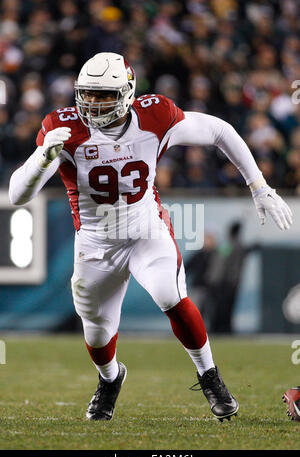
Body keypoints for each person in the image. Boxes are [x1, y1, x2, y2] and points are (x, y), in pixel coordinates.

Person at [9, 52, 293, 422]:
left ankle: (209, 374)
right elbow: (18, 194)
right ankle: (111, 379)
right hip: (95, 243)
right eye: (88, 94)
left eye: (104, 94)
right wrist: (43, 158)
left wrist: (258, 186)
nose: (93, 103)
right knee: (96, 333)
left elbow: (220, 131)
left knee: (171, 296)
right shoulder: (62, 128)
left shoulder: (154, 116)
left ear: (127, 93)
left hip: (146, 231)